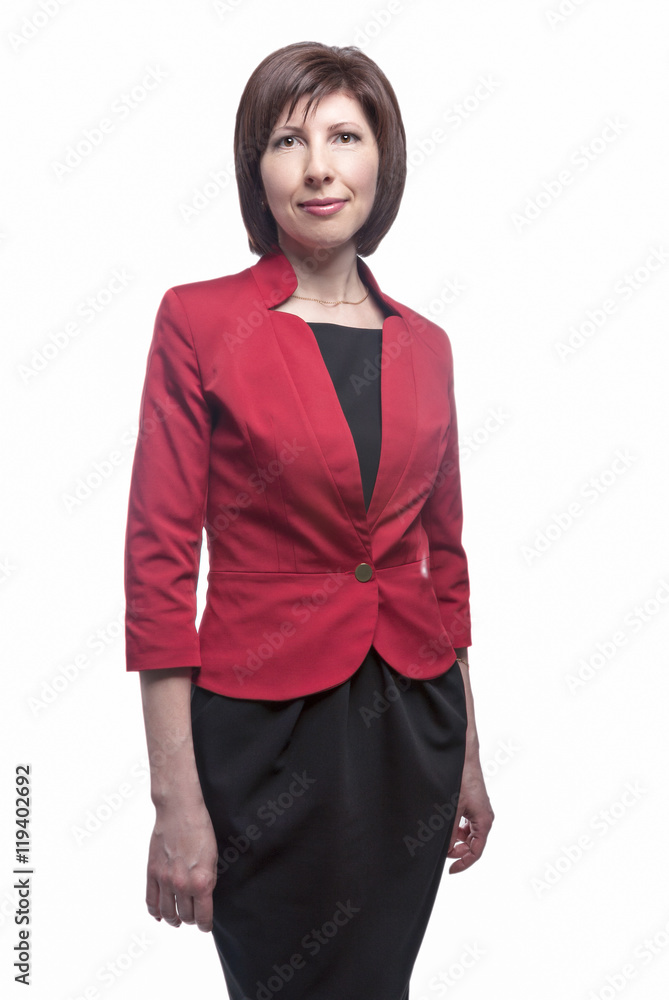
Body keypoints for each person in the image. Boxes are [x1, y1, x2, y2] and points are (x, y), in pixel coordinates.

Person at [124, 40, 494, 1000]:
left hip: (411, 728)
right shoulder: (199, 322)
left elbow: (440, 565)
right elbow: (159, 568)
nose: (319, 166)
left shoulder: (427, 345)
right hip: (264, 738)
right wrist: (175, 802)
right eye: (288, 140)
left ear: (384, 160)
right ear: (258, 167)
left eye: (345, 135)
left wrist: (468, 758)